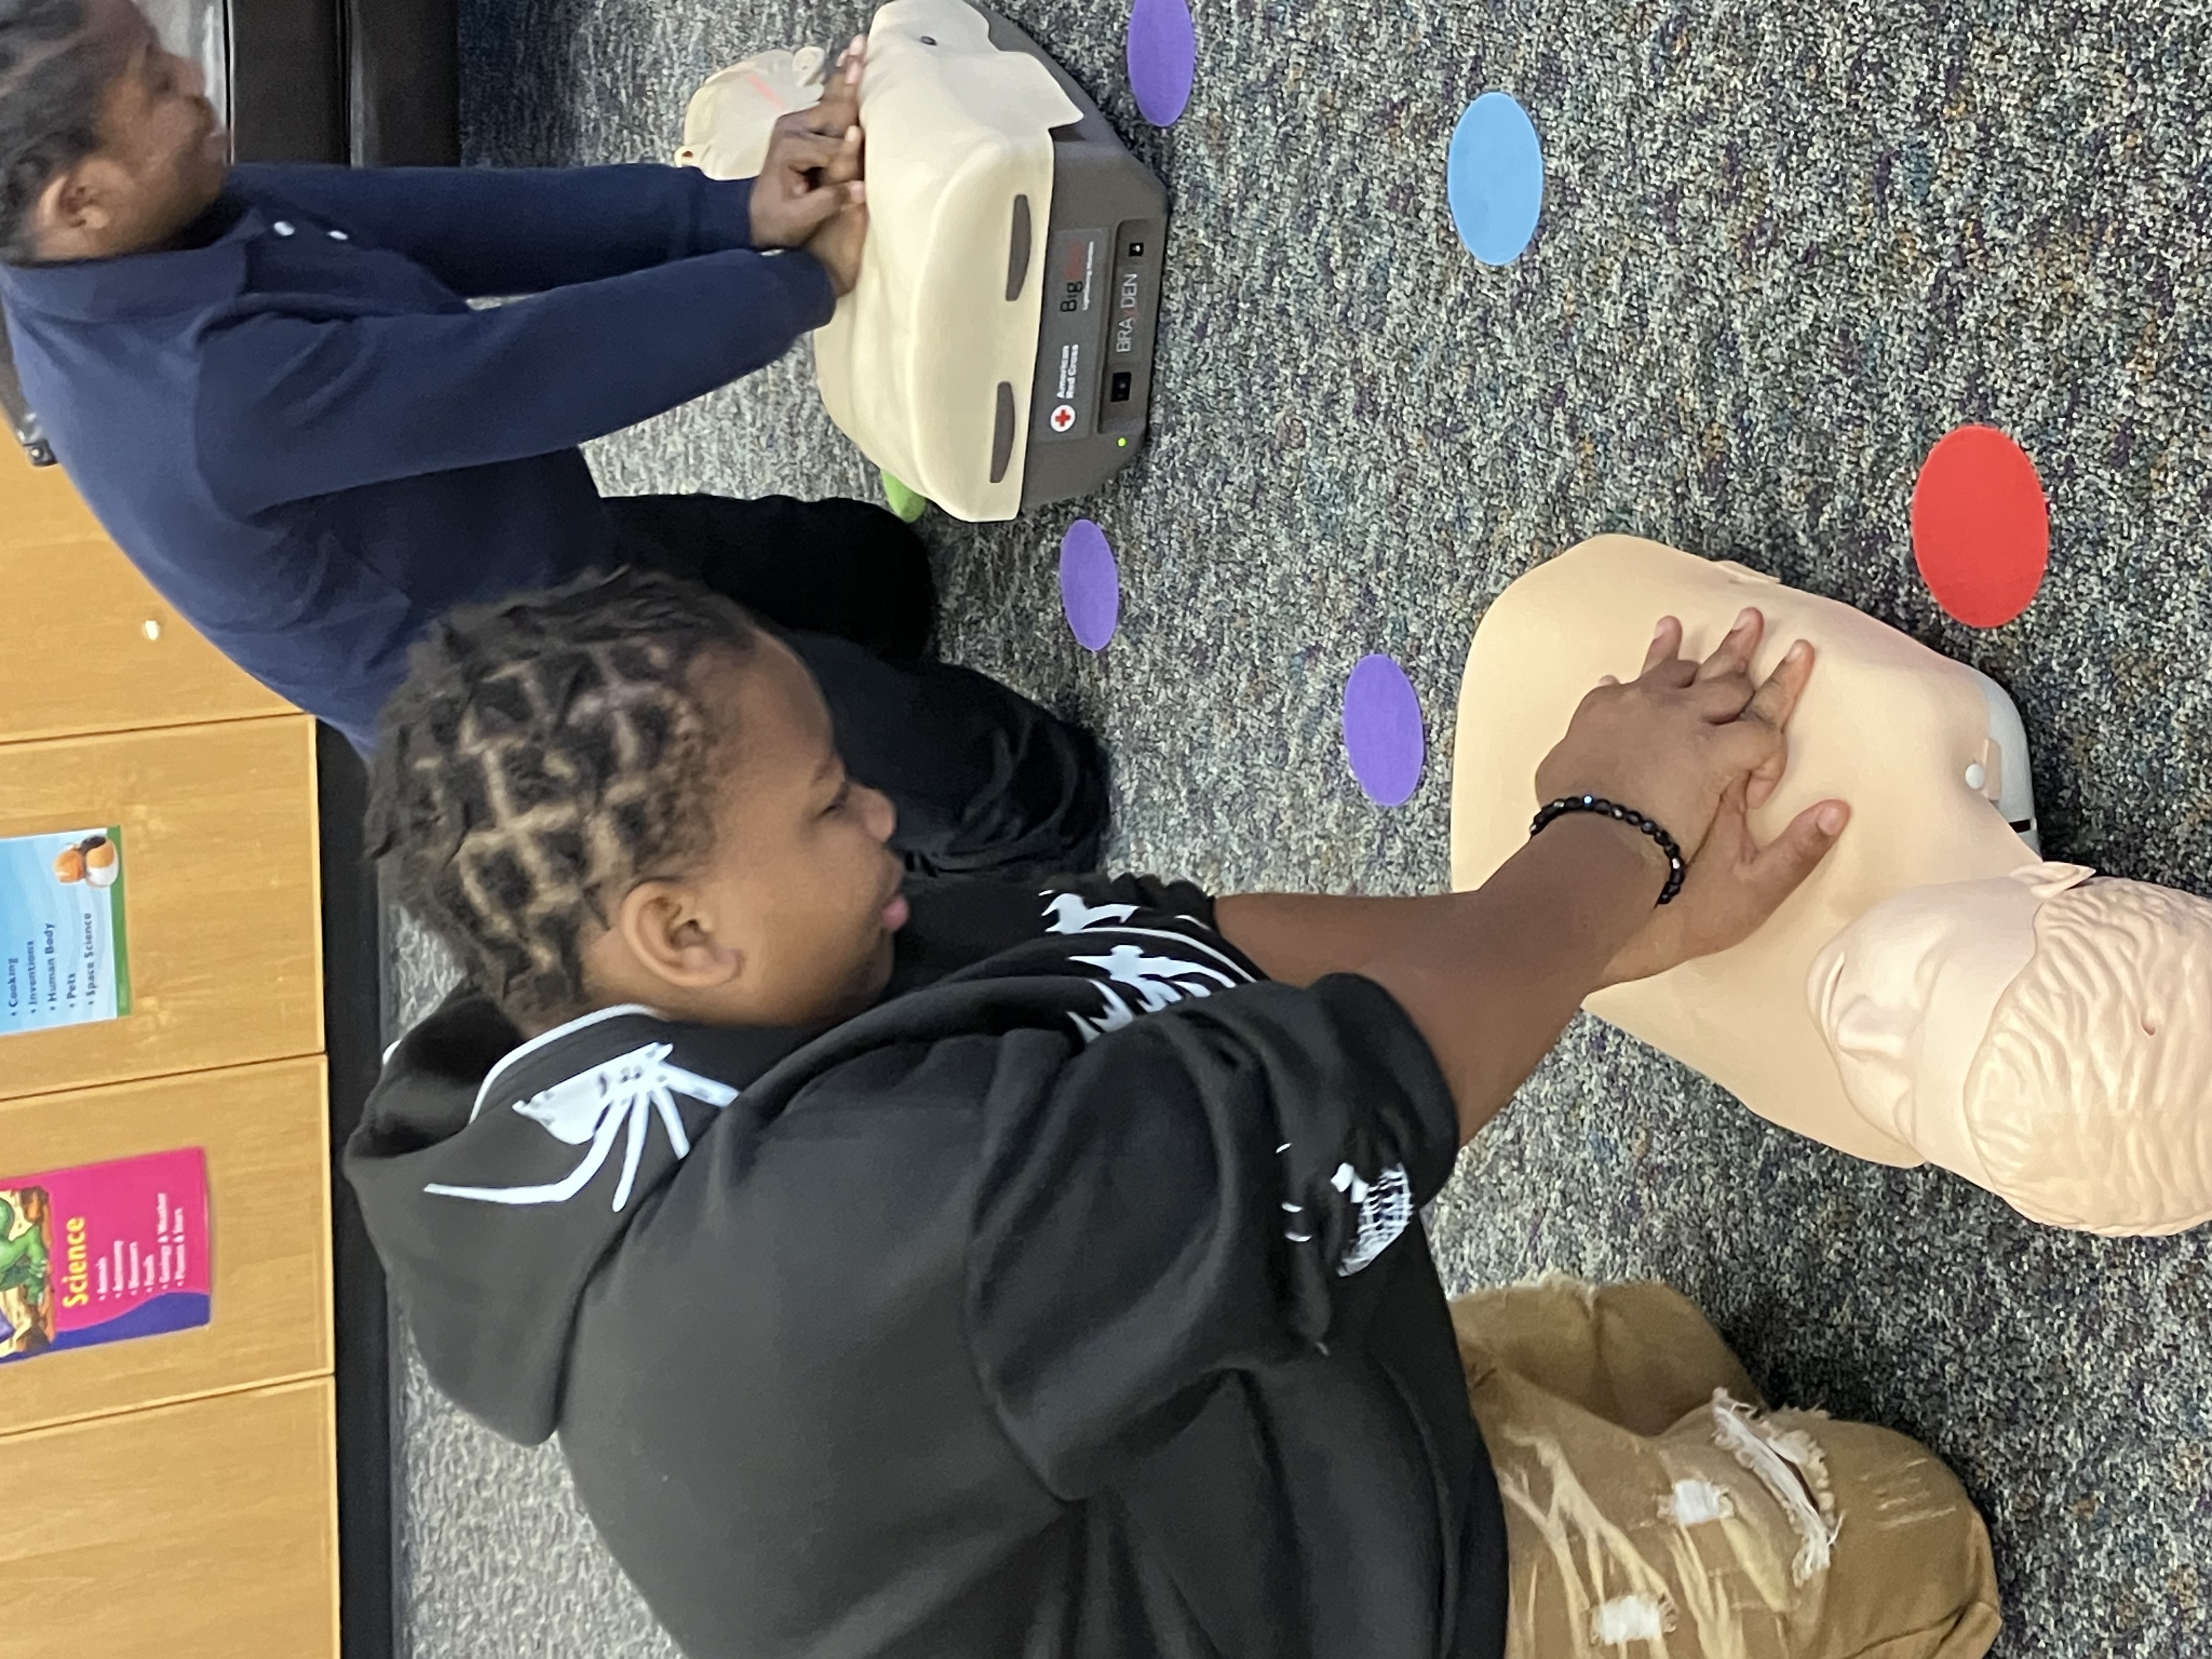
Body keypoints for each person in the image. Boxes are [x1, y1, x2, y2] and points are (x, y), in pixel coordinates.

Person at [346, 569, 2001, 1659]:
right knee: (1918, 1545)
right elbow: (1337, 1112)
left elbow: (1157, 951)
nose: (882, 810)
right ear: (682, 930)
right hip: (1337, 1613)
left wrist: (1613, 928)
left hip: (1217, 1415)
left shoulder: (681, 990)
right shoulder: (834, 1252)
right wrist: (1607, 827)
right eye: (827, 804)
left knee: (1673, 1349)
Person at [0, 0, 1103, 876]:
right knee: (1012, 780)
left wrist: (728, 215)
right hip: (526, 700)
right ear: (80, 201)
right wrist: (799, 282)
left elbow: (456, 224)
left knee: (875, 571)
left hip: (522, 537)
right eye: (156, 84)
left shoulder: (164, 216)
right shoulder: (206, 396)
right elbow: (523, 374)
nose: (194, 80)